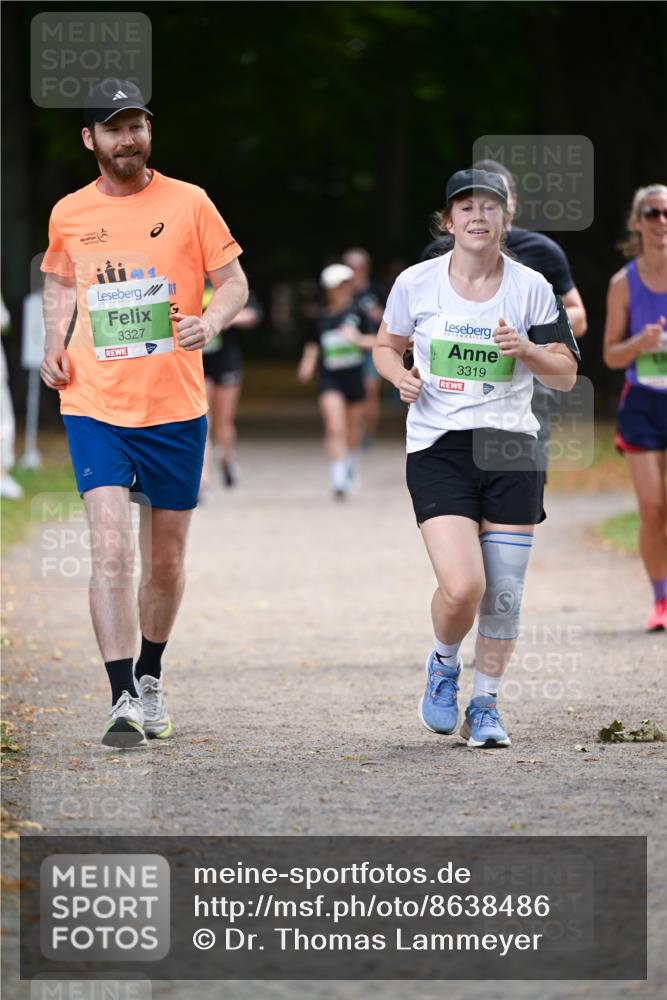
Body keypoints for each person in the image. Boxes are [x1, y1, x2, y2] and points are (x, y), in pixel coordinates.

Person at [39, 80, 248, 747]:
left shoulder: (190, 202)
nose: (128, 139)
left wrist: (210, 322)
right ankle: (121, 694)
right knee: (108, 549)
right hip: (94, 401)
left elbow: (236, 282)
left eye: (137, 127)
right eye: (114, 128)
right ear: (89, 139)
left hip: (175, 404)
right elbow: (59, 281)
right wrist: (51, 345)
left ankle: (152, 676)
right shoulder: (69, 212)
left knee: (165, 560)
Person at [373, 169, 579, 748]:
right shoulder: (416, 283)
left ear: (504, 218)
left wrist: (530, 350)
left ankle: (484, 705)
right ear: (449, 221)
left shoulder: (533, 286)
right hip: (439, 447)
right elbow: (385, 346)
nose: (477, 216)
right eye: (465, 207)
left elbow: (566, 375)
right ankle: (444, 663)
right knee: (464, 587)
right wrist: (400, 377)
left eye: (489, 206)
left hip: (512, 445)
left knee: (504, 591)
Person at [421, 159, 587, 474]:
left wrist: (527, 341)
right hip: (456, 378)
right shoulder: (438, 252)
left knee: (521, 478)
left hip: (526, 380)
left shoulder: (542, 250)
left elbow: (577, 315)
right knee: (457, 482)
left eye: (498, 198)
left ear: (512, 203)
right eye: (473, 204)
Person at [603, 183, 667, 632]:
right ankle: (661, 601)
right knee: (653, 510)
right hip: (642, 403)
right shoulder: (622, 284)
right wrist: (639, 343)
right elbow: (610, 355)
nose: (662, 221)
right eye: (652, 212)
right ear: (637, 221)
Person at [297, 263, 376, 498]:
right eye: (337, 285)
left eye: (345, 284)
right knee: (334, 426)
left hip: (354, 377)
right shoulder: (319, 316)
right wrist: (307, 364)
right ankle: (338, 479)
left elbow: (377, 340)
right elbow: (312, 344)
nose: (342, 289)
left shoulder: (359, 312)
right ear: (328, 289)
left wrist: (358, 339)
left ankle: (351, 465)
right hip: (329, 378)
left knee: (353, 429)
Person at [200, 286, 262, 496]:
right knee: (203, 422)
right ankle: (203, 481)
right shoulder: (184, 279)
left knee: (223, 423)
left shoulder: (226, 280)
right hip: (198, 362)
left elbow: (253, 314)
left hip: (226, 362)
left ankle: (227, 457)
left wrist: (223, 319)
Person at [341, 248, 385, 447]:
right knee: (347, 391)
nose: (354, 271)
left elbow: (390, 317)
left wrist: (377, 313)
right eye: (350, 267)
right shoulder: (340, 291)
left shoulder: (375, 291)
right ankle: (350, 430)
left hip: (371, 345)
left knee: (370, 390)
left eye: (358, 267)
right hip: (346, 349)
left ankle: (368, 432)